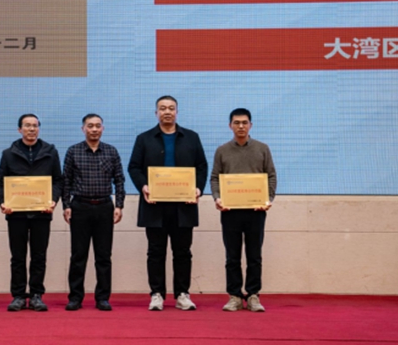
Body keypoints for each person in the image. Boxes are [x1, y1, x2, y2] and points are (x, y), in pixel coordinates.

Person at [128, 96, 208, 311]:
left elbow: (201, 166)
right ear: (156, 113)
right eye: (162, 108)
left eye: (171, 108)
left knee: (183, 252)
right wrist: (143, 186)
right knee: (155, 252)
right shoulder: (144, 138)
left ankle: (182, 294)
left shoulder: (191, 137)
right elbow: (134, 167)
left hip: (183, 205)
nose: (167, 112)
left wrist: (198, 188)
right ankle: (156, 294)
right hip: (154, 205)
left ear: (177, 112)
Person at [210, 108, 277, 313]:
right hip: (230, 211)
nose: (241, 126)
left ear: (251, 125)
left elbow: (271, 176)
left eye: (244, 122)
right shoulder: (222, 150)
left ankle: (253, 295)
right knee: (232, 256)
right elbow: (215, 177)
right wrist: (217, 198)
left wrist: (268, 199)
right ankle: (235, 296)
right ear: (230, 125)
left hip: (256, 210)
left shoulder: (262, 149)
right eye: (237, 123)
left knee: (254, 256)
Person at [0, 113, 63, 312]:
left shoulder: (50, 152)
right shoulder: (8, 154)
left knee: (39, 256)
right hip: (16, 213)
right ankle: (18, 296)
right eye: (27, 125)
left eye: (35, 125)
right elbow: (0, 182)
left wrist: (53, 200)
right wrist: (3, 203)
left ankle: (36, 295)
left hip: (42, 212)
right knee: (17, 257)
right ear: (20, 129)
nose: (31, 129)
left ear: (38, 129)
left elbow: (58, 180)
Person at [62, 114, 126, 312]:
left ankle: (103, 298)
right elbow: (66, 181)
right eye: (90, 126)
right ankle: (75, 298)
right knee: (78, 255)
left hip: (104, 207)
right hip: (80, 207)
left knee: (104, 256)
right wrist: (66, 205)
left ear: (103, 129)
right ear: (83, 129)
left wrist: (119, 205)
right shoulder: (73, 151)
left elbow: (119, 180)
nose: (94, 129)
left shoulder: (111, 151)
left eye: (98, 126)